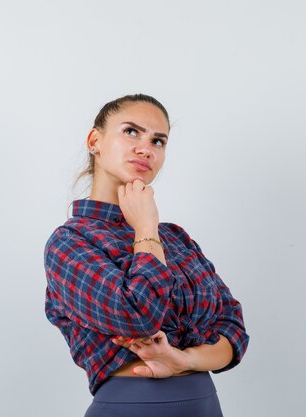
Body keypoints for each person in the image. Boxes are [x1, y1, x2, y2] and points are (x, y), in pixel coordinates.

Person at [43, 93, 249, 417]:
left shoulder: (177, 239)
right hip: (131, 407)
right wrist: (146, 227)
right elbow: (137, 318)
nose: (146, 148)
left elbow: (234, 330)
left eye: (158, 141)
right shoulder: (69, 243)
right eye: (131, 132)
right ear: (95, 140)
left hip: (205, 405)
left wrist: (183, 360)